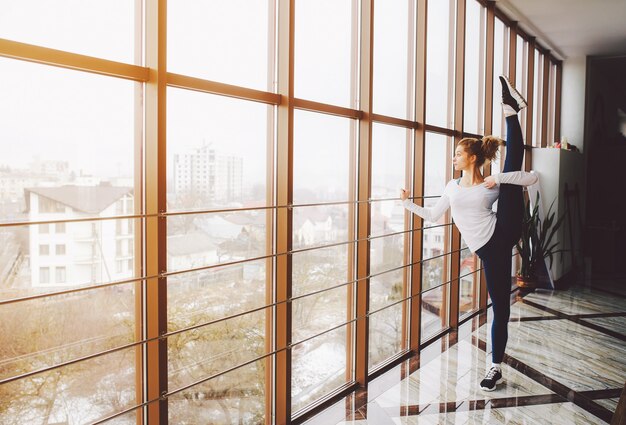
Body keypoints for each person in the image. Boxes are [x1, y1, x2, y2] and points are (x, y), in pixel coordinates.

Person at [400, 76, 538, 391]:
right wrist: (407, 203)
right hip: (489, 250)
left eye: (458, 155)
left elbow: (531, 178)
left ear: (472, 158)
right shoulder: (452, 187)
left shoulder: (491, 182)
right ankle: (512, 111)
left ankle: (493, 368)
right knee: (500, 304)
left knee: (514, 171)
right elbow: (433, 215)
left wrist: (499, 179)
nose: (454, 158)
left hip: (503, 230)